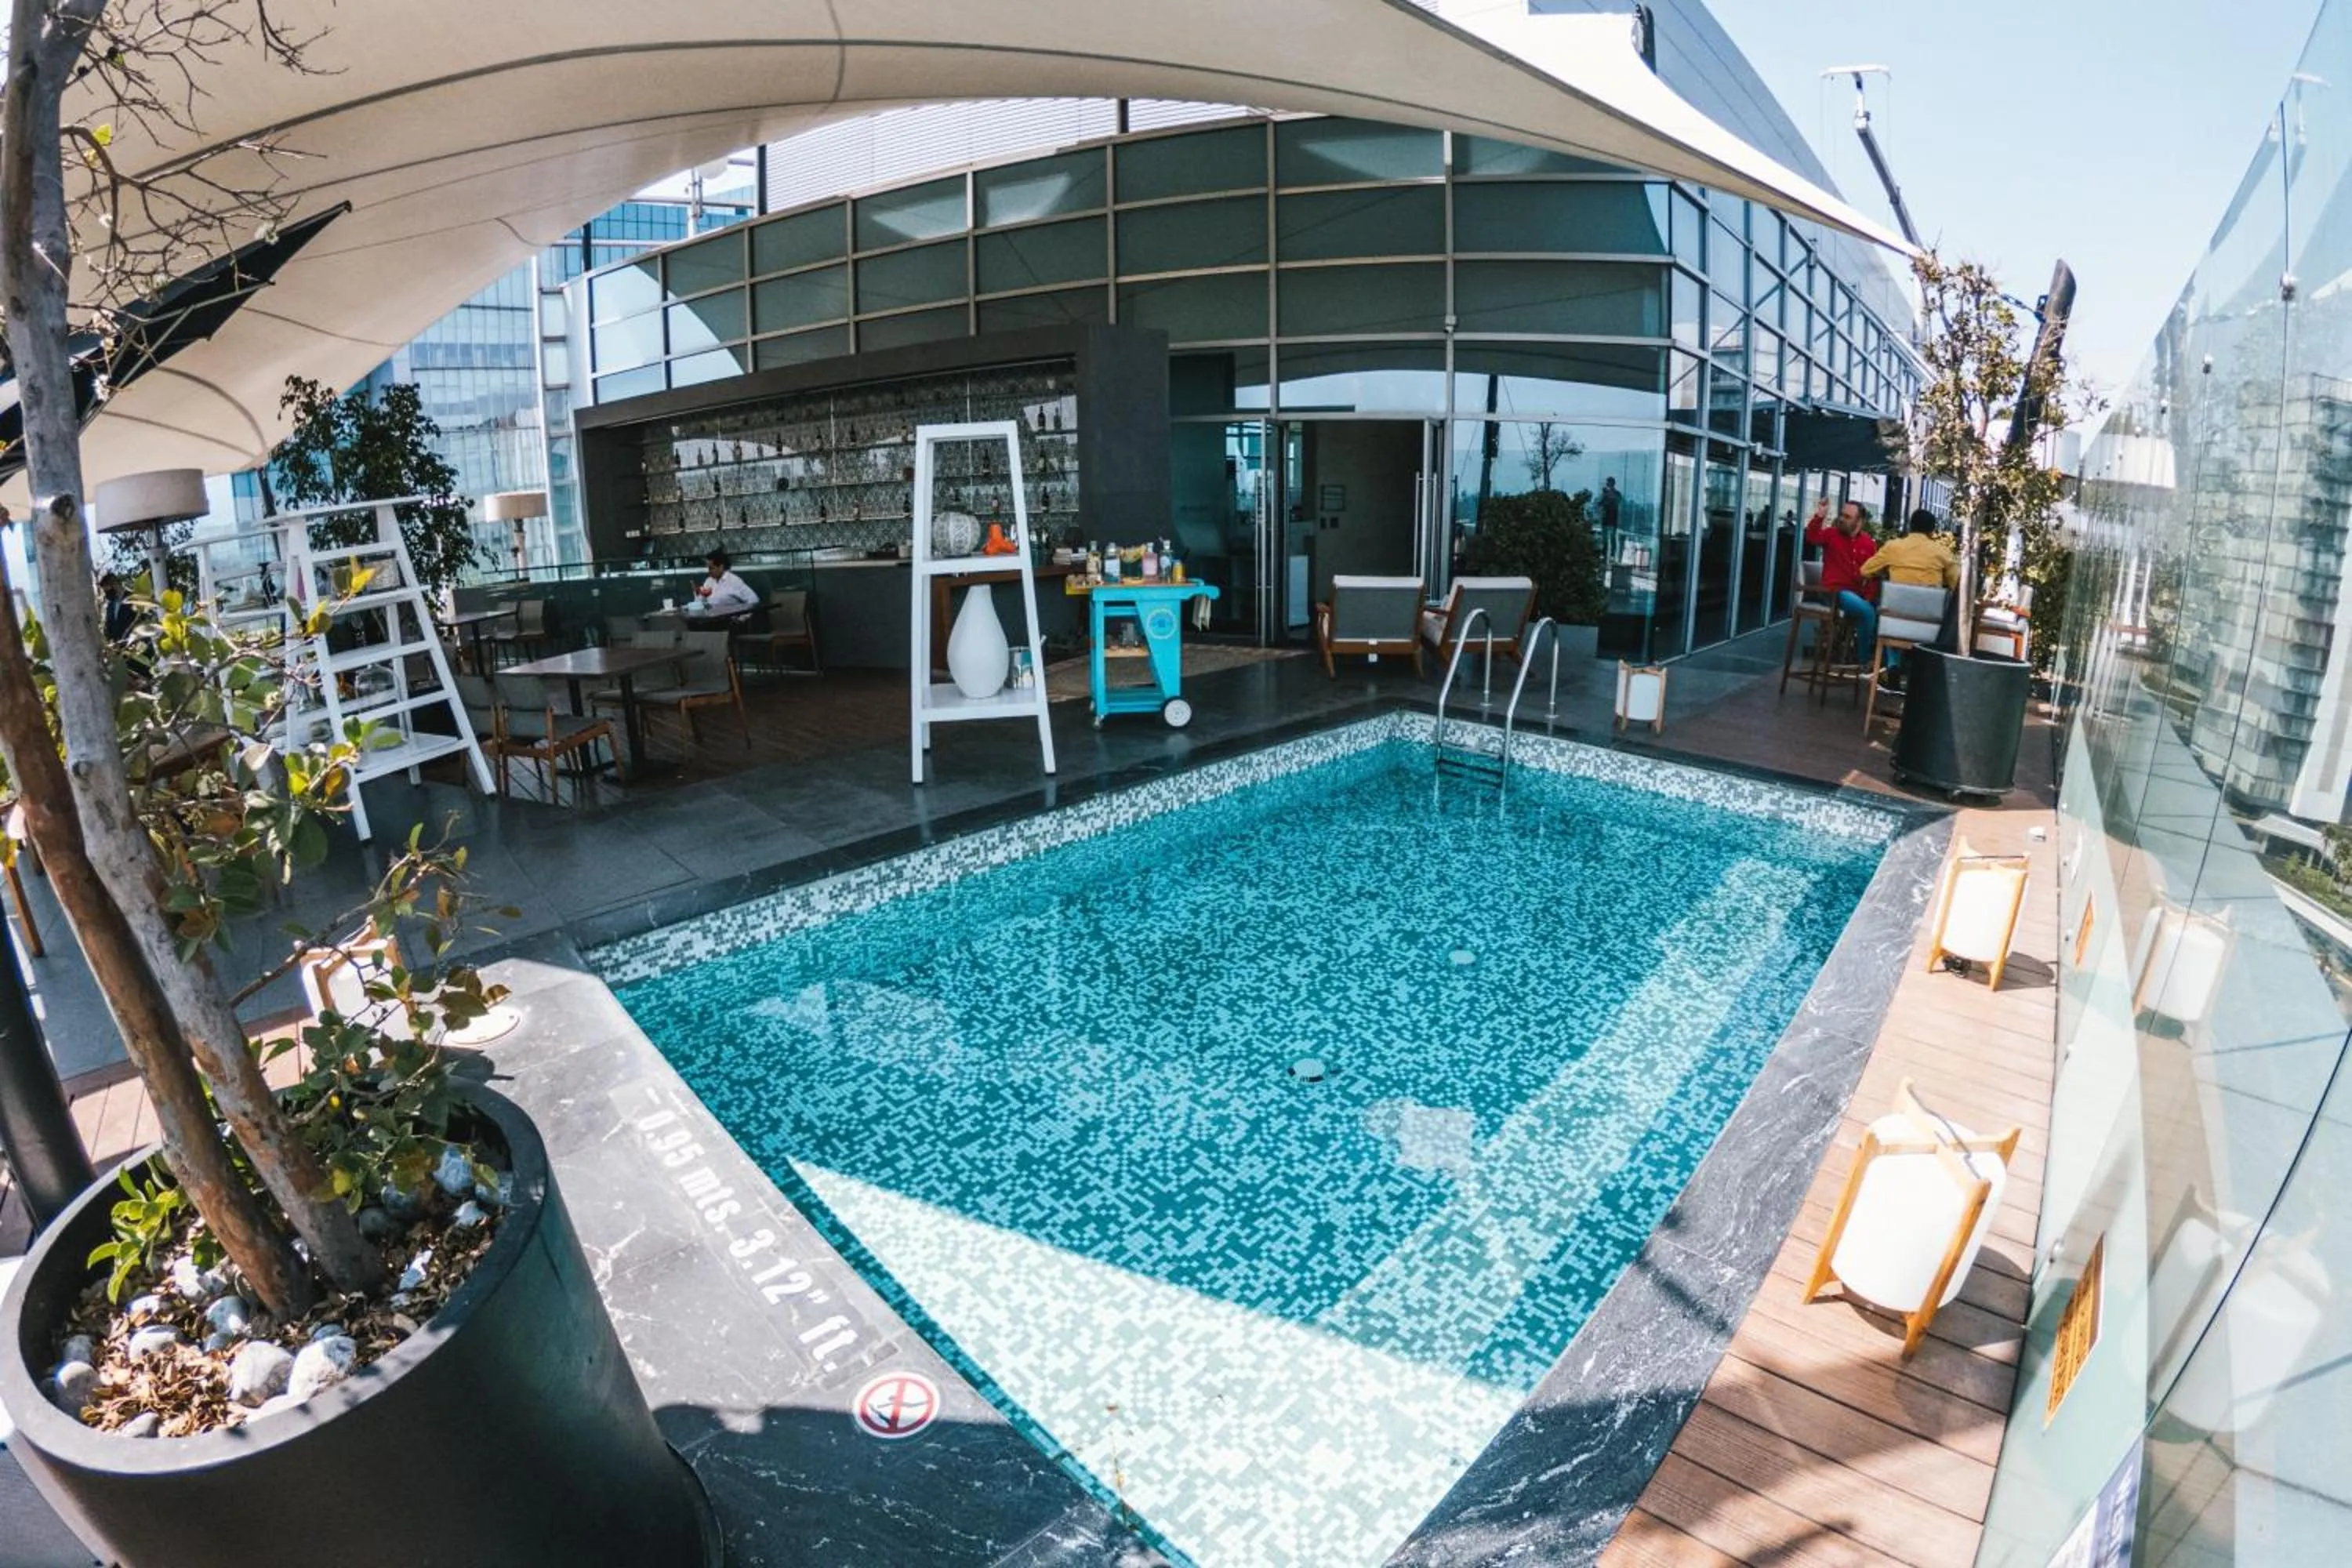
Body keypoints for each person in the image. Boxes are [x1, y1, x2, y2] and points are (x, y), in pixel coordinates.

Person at [1803, 497, 1878, 664]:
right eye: (1842, 515)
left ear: (1859, 521)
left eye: (1847, 517)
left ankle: (1871, 660)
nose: (1842, 519)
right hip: (1833, 592)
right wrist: (1820, 515)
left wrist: (1869, 597)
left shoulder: (1868, 543)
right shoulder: (1831, 534)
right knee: (1867, 612)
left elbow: (1872, 575)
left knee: (1878, 610)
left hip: (1856, 594)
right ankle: (1864, 663)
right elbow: (1812, 537)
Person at [1862, 509, 1960, 590]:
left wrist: (1885, 572)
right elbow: (1956, 583)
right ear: (1932, 531)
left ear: (1910, 526)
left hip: (1895, 604)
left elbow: (1865, 571)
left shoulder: (1892, 547)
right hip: (1930, 605)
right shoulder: (1942, 552)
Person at [692, 550, 759, 619]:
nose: (709, 571)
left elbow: (754, 600)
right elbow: (701, 602)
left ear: (721, 567)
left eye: (711, 568)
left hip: (729, 620)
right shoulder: (709, 581)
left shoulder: (734, 581)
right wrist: (697, 593)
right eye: (708, 568)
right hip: (711, 619)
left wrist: (743, 618)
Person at [98, 573, 138, 644]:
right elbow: (109, 626)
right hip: (119, 646)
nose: (106, 594)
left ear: (115, 585)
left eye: (107, 590)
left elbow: (140, 620)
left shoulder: (134, 599)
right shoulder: (110, 606)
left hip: (135, 643)